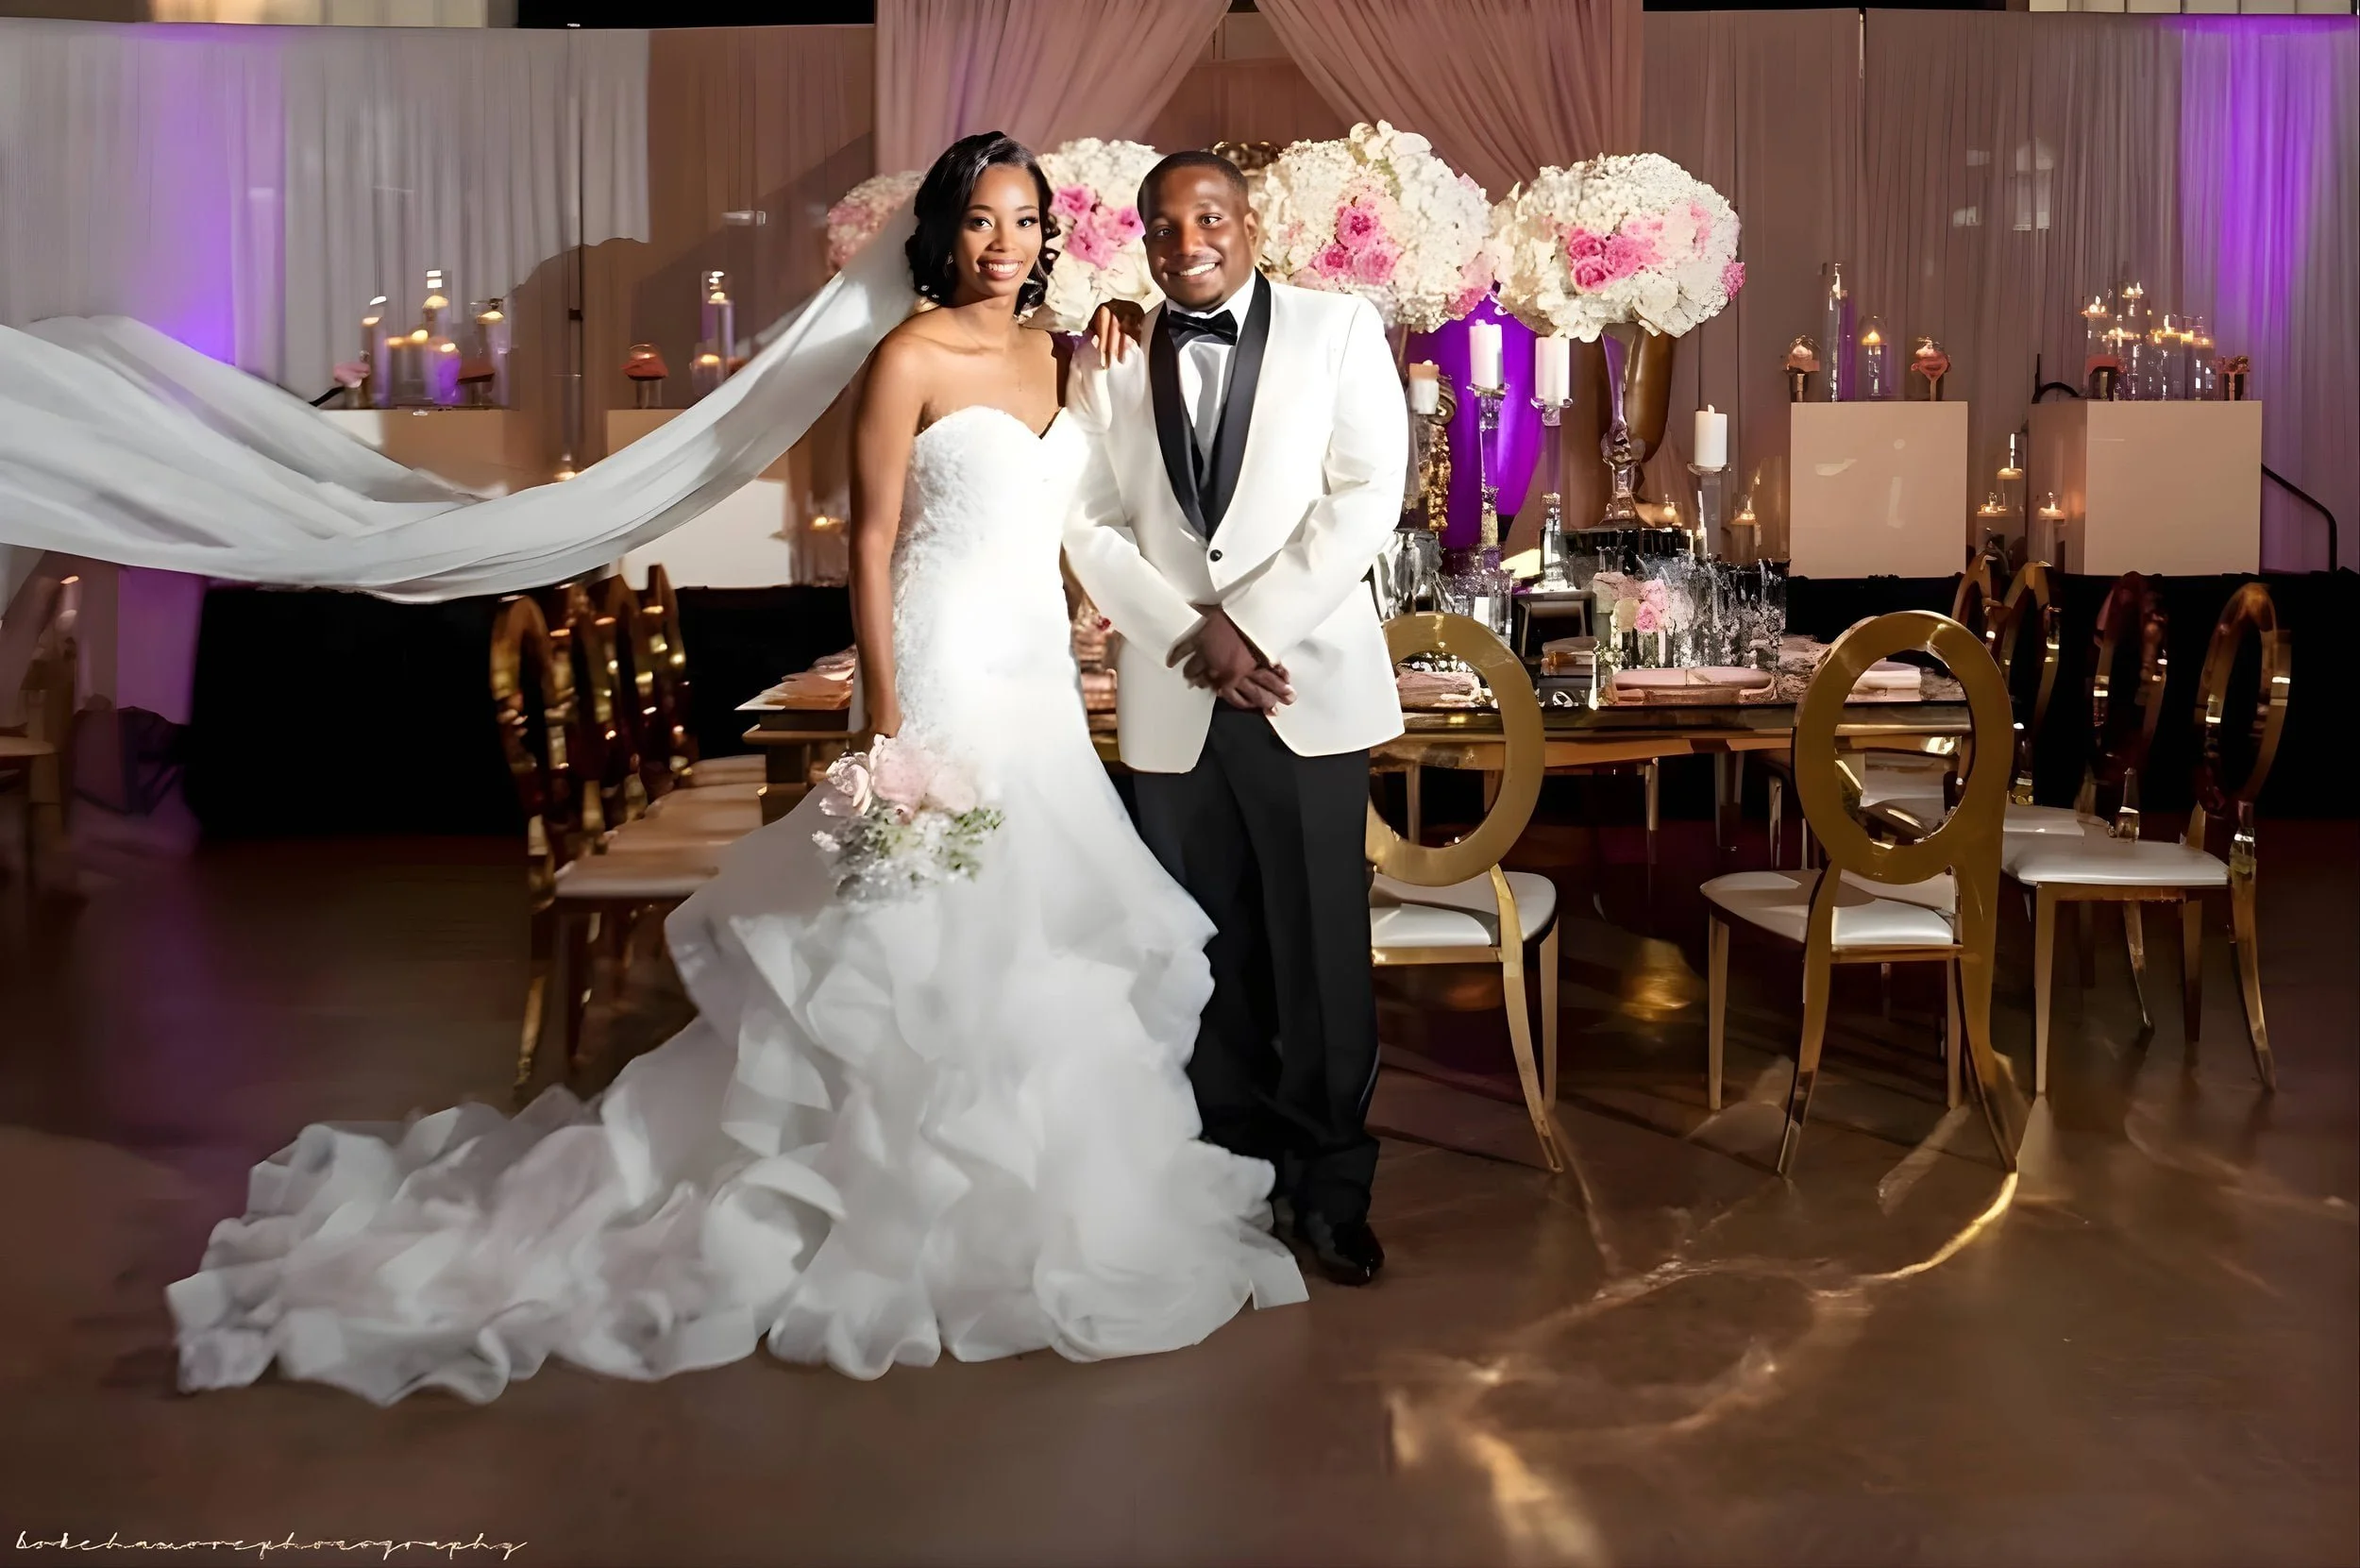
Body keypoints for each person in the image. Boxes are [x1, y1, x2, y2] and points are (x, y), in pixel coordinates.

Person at [167, 132, 1306, 1405]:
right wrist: (889, 715)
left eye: (1027, 221)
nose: (1006, 245)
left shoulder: (1074, 352)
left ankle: (1035, 1210)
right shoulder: (906, 357)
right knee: (916, 937)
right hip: (940, 662)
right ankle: (881, 1209)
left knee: (1040, 935)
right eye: (983, 222)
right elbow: (871, 544)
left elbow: (1089, 514)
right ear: (944, 234)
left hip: (1037, 672)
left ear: (1054, 233)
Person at [1065, 151, 1408, 1286]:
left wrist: (1248, 623)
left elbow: (1369, 491)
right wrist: (1186, 633)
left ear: (1249, 223)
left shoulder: (1338, 329)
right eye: (1162, 228)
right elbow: (1088, 517)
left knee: (1322, 949)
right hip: (1172, 700)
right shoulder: (1107, 357)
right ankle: (1231, 1177)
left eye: (1207, 217)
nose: (1185, 241)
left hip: (1303, 687)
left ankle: (1333, 1187)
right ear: (1142, 242)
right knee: (1199, 953)